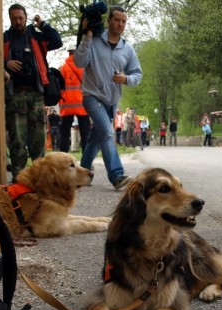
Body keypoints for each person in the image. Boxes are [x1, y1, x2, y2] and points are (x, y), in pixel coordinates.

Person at [74, 5, 142, 189]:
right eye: (117, 20)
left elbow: (138, 75)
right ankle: (117, 175)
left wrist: (126, 78)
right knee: (107, 133)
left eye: (124, 21)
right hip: (92, 96)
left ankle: (83, 171)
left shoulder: (127, 49)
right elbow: (79, 62)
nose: (120, 24)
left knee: (97, 137)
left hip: (111, 102)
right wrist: (86, 37)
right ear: (109, 20)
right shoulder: (94, 40)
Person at [3, 3, 62, 181]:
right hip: (15, 94)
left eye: (21, 18)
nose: (18, 21)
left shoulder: (36, 37)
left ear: (26, 18)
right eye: (14, 18)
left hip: (36, 94)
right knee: (17, 139)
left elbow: (57, 41)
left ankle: (39, 178)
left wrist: (42, 24)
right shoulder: (4, 39)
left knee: (38, 139)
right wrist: (6, 63)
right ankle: (18, 178)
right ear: (10, 19)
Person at [58, 48, 90, 154]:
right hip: (82, 105)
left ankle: (63, 159)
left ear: (69, 53)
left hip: (66, 106)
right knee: (85, 134)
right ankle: (86, 161)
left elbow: (59, 87)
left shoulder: (62, 68)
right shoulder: (84, 68)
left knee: (65, 134)